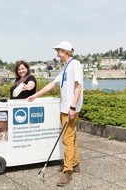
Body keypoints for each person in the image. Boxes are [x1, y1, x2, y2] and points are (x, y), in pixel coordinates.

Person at [27, 41, 83, 187]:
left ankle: (68, 171)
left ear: (66, 51)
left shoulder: (75, 65)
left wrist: (73, 107)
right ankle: (74, 163)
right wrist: (36, 95)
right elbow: (52, 84)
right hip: (65, 107)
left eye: (58, 51)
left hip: (70, 108)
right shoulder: (65, 68)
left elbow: (78, 87)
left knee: (67, 139)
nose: (57, 54)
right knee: (71, 136)